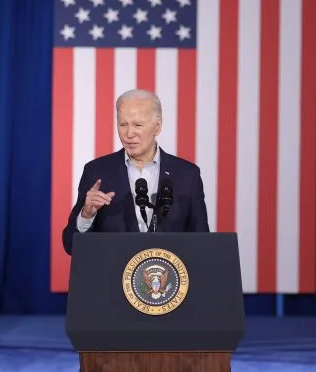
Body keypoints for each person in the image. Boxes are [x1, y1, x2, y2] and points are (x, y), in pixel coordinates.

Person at [61, 89, 210, 255]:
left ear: (157, 127)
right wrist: (87, 215)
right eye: (123, 124)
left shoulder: (187, 175)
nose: (129, 134)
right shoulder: (97, 171)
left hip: (169, 278)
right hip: (112, 278)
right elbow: (71, 246)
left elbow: (202, 245)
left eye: (138, 125)